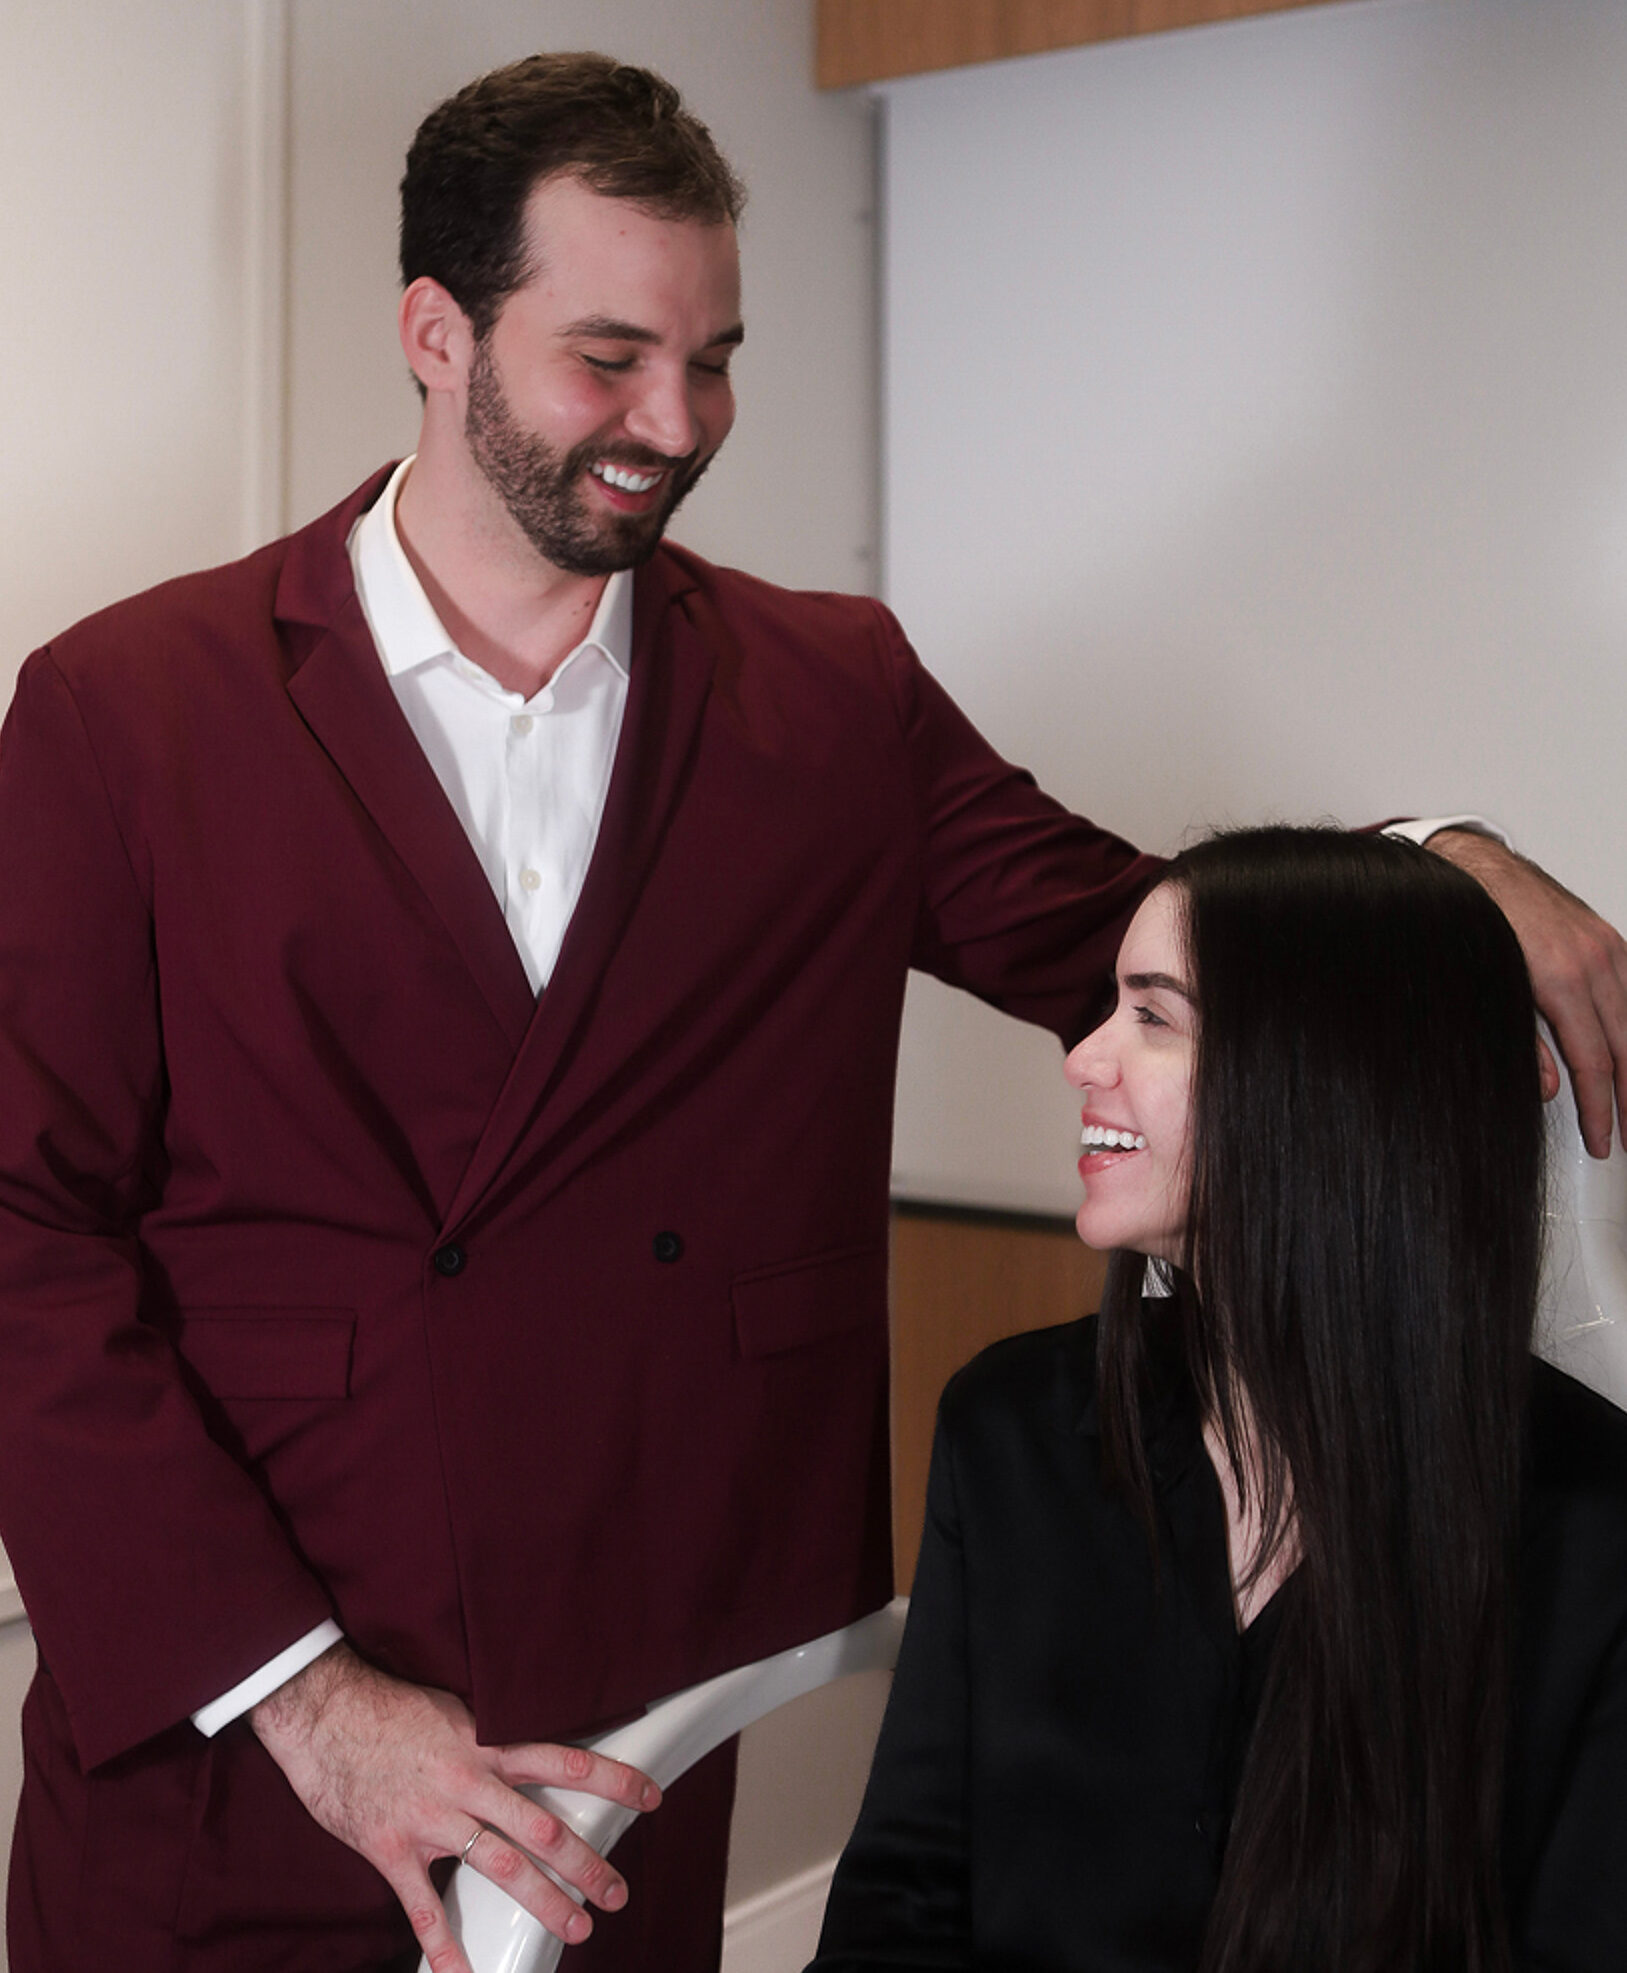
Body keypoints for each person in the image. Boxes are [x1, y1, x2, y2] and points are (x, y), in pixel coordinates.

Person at [0, 50, 1622, 1973]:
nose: (676, 423)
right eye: (609, 358)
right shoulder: (125, 707)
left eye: (714, 360)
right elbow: (22, 1225)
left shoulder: (832, 695)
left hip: (626, 1714)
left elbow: (1131, 933)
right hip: (249, 1695)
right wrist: (305, 1696)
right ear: (436, 332)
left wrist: (1438, 852)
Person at [811, 827, 1627, 1971]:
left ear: (1327, 1079)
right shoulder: (1009, 1429)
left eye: (1153, 1015)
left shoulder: (1593, 1528)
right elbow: (899, 1899)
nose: (1083, 1056)